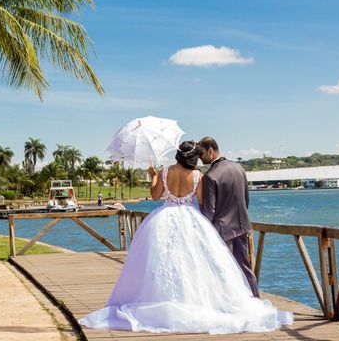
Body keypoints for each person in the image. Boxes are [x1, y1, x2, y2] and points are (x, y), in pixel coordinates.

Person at [78, 140, 292, 334]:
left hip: (164, 218)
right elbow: (202, 204)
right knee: (193, 263)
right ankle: (197, 301)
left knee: (161, 263)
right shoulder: (199, 175)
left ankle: (160, 299)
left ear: (178, 155)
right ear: (193, 157)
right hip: (190, 218)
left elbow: (154, 196)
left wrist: (153, 175)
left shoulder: (164, 171)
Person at [198, 136, 259, 297]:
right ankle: (255, 299)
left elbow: (209, 211)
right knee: (245, 267)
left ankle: (230, 303)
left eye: (201, 153)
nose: (199, 157)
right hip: (242, 225)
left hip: (222, 230)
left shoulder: (210, 176)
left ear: (210, 151)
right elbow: (246, 199)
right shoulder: (239, 168)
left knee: (223, 270)